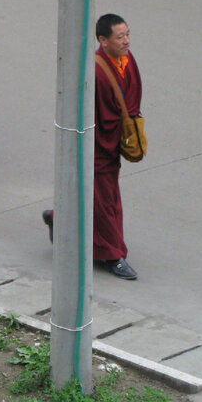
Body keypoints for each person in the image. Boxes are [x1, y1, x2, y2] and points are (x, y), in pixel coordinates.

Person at [43, 14, 141, 280]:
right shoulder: (95, 70)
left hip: (114, 141)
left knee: (98, 196)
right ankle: (113, 255)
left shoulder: (127, 60)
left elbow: (133, 96)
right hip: (98, 146)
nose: (126, 41)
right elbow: (89, 113)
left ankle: (58, 217)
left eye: (127, 34)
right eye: (120, 37)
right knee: (105, 201)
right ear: (102, 40)